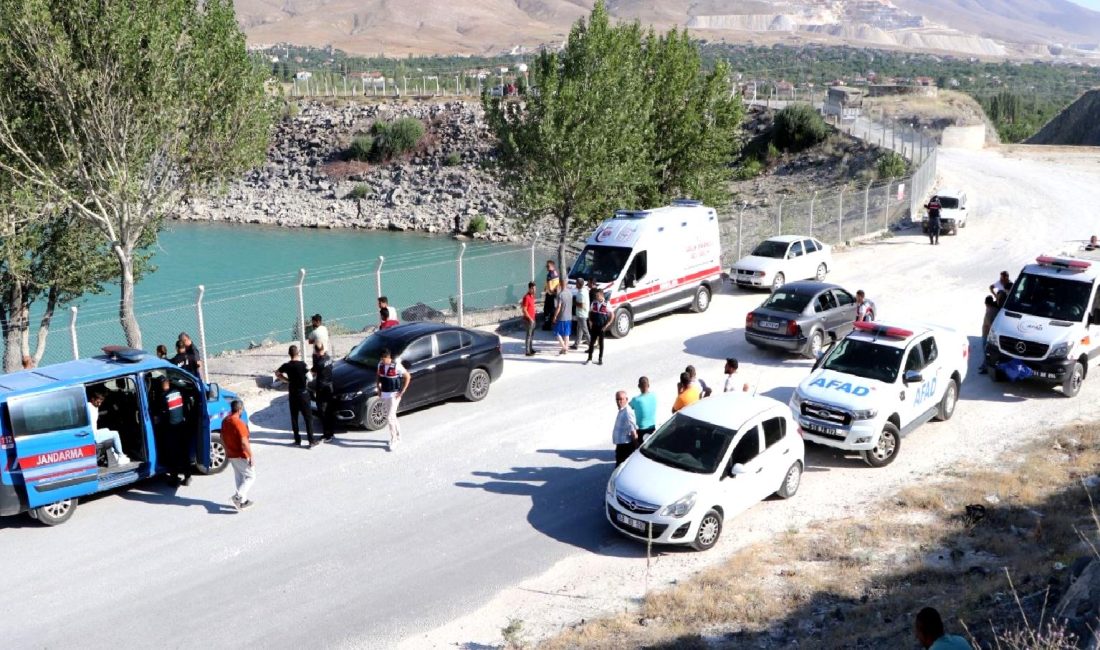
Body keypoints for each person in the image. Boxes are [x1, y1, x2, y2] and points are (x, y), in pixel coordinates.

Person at [275, 345, 316, 447]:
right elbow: (310, 378)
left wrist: (286, 380)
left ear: (289, 354)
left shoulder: (287, 365)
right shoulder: (303, 365)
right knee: (308, 417)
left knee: (294, 417)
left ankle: (297, 440)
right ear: (298, 353)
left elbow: (277, 373)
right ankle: (311, 441)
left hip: (292, 393)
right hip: (303, 393)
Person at [153, 377, 191, 485]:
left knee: (172, 454)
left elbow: (160, 416)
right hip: (182, 426)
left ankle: (174, 479)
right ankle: (188, 476)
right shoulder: (178, 392)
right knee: (184, 453)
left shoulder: (162, 397)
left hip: (171, 429)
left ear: (161, 385)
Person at [221, 400, 255, 510]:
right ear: (240, 410)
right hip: (241, 454)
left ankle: (242, 501)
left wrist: (227, 450)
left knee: (239, 476)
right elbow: (244, 442)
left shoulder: (225, 420)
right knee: (251, 476)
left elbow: (222, 437)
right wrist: (251, 456)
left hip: (231, 454)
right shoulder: (239, 424)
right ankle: (238, 497)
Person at [377, 348, 411, 451]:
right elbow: (378, 377)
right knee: (392, 416)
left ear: (389, 357)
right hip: (385, 394)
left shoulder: (397, 366)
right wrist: (378, 388)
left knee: (389, 417)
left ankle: (394, 439)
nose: (383, 361)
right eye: (381, 359)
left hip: (394, 395)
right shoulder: (380, 365)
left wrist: (402, 391)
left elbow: (408, 376)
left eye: (384, 359)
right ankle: (399, 436)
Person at [87, 387, 130, 465]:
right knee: (115, 434)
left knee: (107, 430)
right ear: (92, 399)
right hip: (94, 436)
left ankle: (115, 454)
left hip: (95, 432)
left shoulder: (95, 407)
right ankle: (121, 456)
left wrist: (109, 411)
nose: (99, 404)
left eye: (101, 402)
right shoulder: (88, 406)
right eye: (97, 402)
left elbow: (98, 414)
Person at [311, 342, 336, 441]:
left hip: (322, 388)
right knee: (329, 410)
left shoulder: (319, 363)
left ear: (316, 351)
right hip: (330, 386)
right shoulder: (329, 358)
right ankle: (332, 432)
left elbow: (312, 373)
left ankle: (327, 435)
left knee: (322, 411)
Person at [612, 390, 638, 467]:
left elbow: (633, 431)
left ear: (626, 399)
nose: (619, 401)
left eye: (621, 399)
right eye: (617, 399)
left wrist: (636, 447)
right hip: (621, 445)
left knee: (620, 467)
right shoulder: (622, 410)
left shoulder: (628, 412)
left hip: (625, 447)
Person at [629, 377, 658, 444]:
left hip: (641, 429)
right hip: (652, 427)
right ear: (648, 385)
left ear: (639, 386)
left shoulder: (636, 399)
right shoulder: (654, 396)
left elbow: (629, 407)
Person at [586, 290, 612, 366]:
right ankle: (589, 358)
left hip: (602, 326)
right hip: (594, 325)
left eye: (597, 296)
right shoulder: (594, 303)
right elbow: (590, 312)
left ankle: (600, 359)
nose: (596, 297)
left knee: (601, 343)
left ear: (601, 295)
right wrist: (590, 321)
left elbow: (612, 315)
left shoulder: (607, 304)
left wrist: (607, 325)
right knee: (591, 343)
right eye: (596, 296)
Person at [977, 295, 999, 375]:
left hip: (986, 334)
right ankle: (984, 365)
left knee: (986, 351)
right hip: (989, 334)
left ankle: (986, 367)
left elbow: (989, 324)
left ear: (986, 303)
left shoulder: (989, 312)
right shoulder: (995, 309)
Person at [553, 280, 573, 355]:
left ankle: (564, 348)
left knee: (557, 332)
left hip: (562, 317)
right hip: (569, 316)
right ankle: (565, 349)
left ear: (560, 284)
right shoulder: (570, 293)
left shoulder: (560, 295)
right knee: (566, 334)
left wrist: (555, 316)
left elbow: (558, 307)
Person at [542, 260, 559, 331]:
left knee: (546, 311)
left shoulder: (549, 274)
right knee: (553, 310)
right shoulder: (556, 273)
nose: (546, 267)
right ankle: (553, 323)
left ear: (552, 266)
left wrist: (550, 291)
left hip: (550, 295)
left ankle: (547, 325)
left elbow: (549, 287)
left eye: (547, 266)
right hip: (555, 294)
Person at [521, 281, 538, 356]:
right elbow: (524, 310)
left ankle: (531, 348)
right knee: (529, 335)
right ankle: (527, 351)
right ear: (529, 289)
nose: (534, 290)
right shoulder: (526, 297)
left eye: (535, 288)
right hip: (529, 320)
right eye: (533, 289)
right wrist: (530, 319)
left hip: (533, 319)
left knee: (532, 335)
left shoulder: (532, 296)